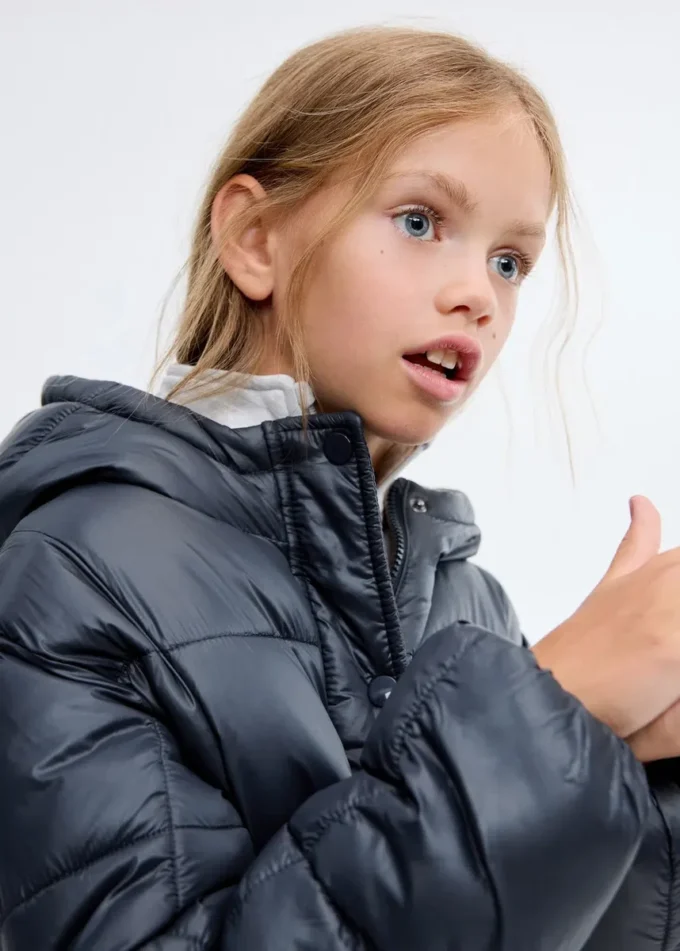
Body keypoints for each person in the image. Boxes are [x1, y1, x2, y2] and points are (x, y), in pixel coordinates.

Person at [0, 24, 678, 951]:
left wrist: (635, 765)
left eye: (510, 261)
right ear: (254, 239)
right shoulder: (73, 569)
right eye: (419, 220)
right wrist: (554, 708)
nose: (480, 293)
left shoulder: (463, 601)